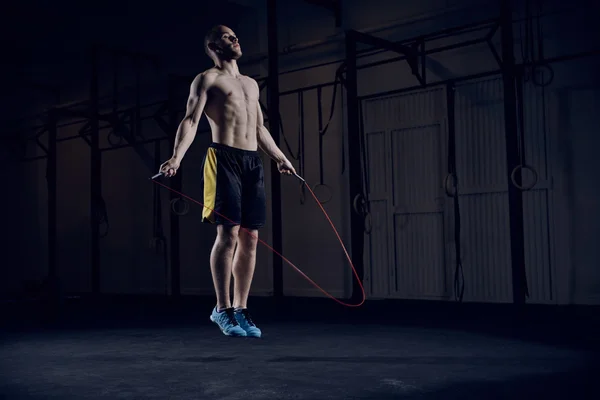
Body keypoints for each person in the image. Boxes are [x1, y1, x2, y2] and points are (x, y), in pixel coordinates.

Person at [159, 25, 296, 338]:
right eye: (226, 36)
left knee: (251, 237)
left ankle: (241, 309)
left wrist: (280, 157)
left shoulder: (250, 84)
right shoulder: (207, 79)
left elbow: (260, 128)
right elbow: (191, 121)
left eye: (236, 35)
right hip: (223, 159)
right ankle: (221, 310)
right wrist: (176, 158)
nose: (235, 38)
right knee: (229, 233)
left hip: (252, 161)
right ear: (212, 45)